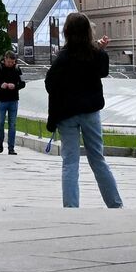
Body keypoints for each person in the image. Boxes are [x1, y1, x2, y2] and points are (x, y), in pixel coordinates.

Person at [45, 12, 123, 209]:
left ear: (67, 32)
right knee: (98, 159)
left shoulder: (62, 58)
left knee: (70, 162)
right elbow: (103, 70)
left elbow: (50, 83)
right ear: (88, 31)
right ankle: (115, 204)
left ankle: (71, 207)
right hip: (90, 113)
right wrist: (99, 49)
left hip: (67, 115)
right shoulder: (95, 53)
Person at [0, 50, 24, 155]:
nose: (10, 64)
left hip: (13, 100)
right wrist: (0, 85)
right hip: (1, 100)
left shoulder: (17, 69)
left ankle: (11, 148)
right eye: (8, 62)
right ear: (5, 59)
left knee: (12, 124)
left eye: (12, 62)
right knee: (0, 123)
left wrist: (15, 86)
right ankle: (0, 140)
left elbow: (22, 83)